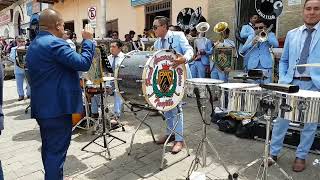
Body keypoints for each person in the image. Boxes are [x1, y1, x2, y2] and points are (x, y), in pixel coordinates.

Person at [26, 9, 95, 179]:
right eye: (63, 24)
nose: (64, 28)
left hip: (43, 109)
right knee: (56, 155)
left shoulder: (34, 44)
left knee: (49, 151)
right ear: (57, 25)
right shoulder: (55, 44)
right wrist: (88, 40)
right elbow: (83, 63)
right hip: (57, 110)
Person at [269, 0, 320, 172]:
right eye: (308, 8)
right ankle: (273, 152)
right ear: (303, 11)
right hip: (291, 84)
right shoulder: (292, 34)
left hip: (314, 85)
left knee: (310, 123)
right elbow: (283, 60)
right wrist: (284, 79)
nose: (312, 12)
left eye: (316, 9)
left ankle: (301, 156)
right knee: (281, 120)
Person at [153, 16, 194, 153]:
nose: (153, 30)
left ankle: (179, 139)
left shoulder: (178, 35)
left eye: (155, 27)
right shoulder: (157, 43)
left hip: (179, 76)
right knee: (166, 106)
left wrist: (184, 58)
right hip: (165, 78)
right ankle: (170, 133)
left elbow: (190, 51)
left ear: (164, 26)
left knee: (176, 107)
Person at [91, 40, 124, 126]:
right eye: (110, 47)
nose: (111, 49)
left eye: (114, 47)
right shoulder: (108, 58)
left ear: (120, 48)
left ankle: (116, 116)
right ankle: (95, 114)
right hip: (109, 83)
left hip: (120, 84)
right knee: (95, 91)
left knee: (118, 92)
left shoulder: (124, 58)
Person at [9, 36, 30, 101]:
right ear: (16, 42)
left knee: (29, 83)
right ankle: (21, 95)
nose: (21, 43)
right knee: (19, 83)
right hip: (18, 69)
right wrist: (17, 57)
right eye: (19, 41)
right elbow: (11, 58)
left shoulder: (28, 48)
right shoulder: (13, 49)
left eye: (23, 41)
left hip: (27, 69)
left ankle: (29, 94)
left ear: (25, 42)